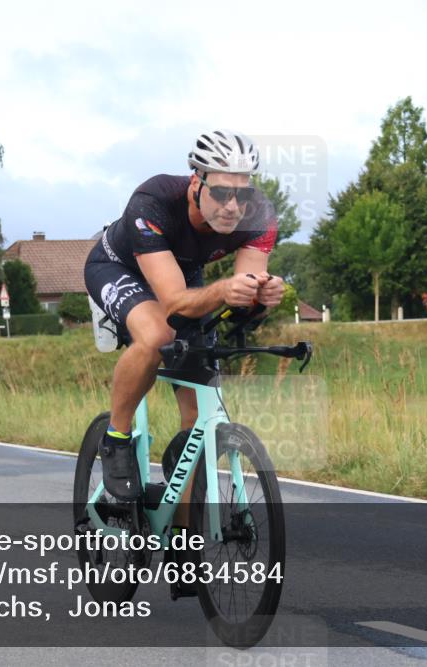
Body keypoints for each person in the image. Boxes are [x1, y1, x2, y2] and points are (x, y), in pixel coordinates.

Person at [84, 129, 285, 500]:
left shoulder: (260, 215)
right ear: (196, 182)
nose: (232, 206)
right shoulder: (154, 199)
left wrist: (260, 296)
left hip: (186, 276)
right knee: (159, 335)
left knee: (200, 421)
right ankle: (116, 438)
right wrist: (224, 289)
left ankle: (181, 540)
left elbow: (243, 295)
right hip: (120, 267)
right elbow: (175, 303)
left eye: (242, 194)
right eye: (222, 193)